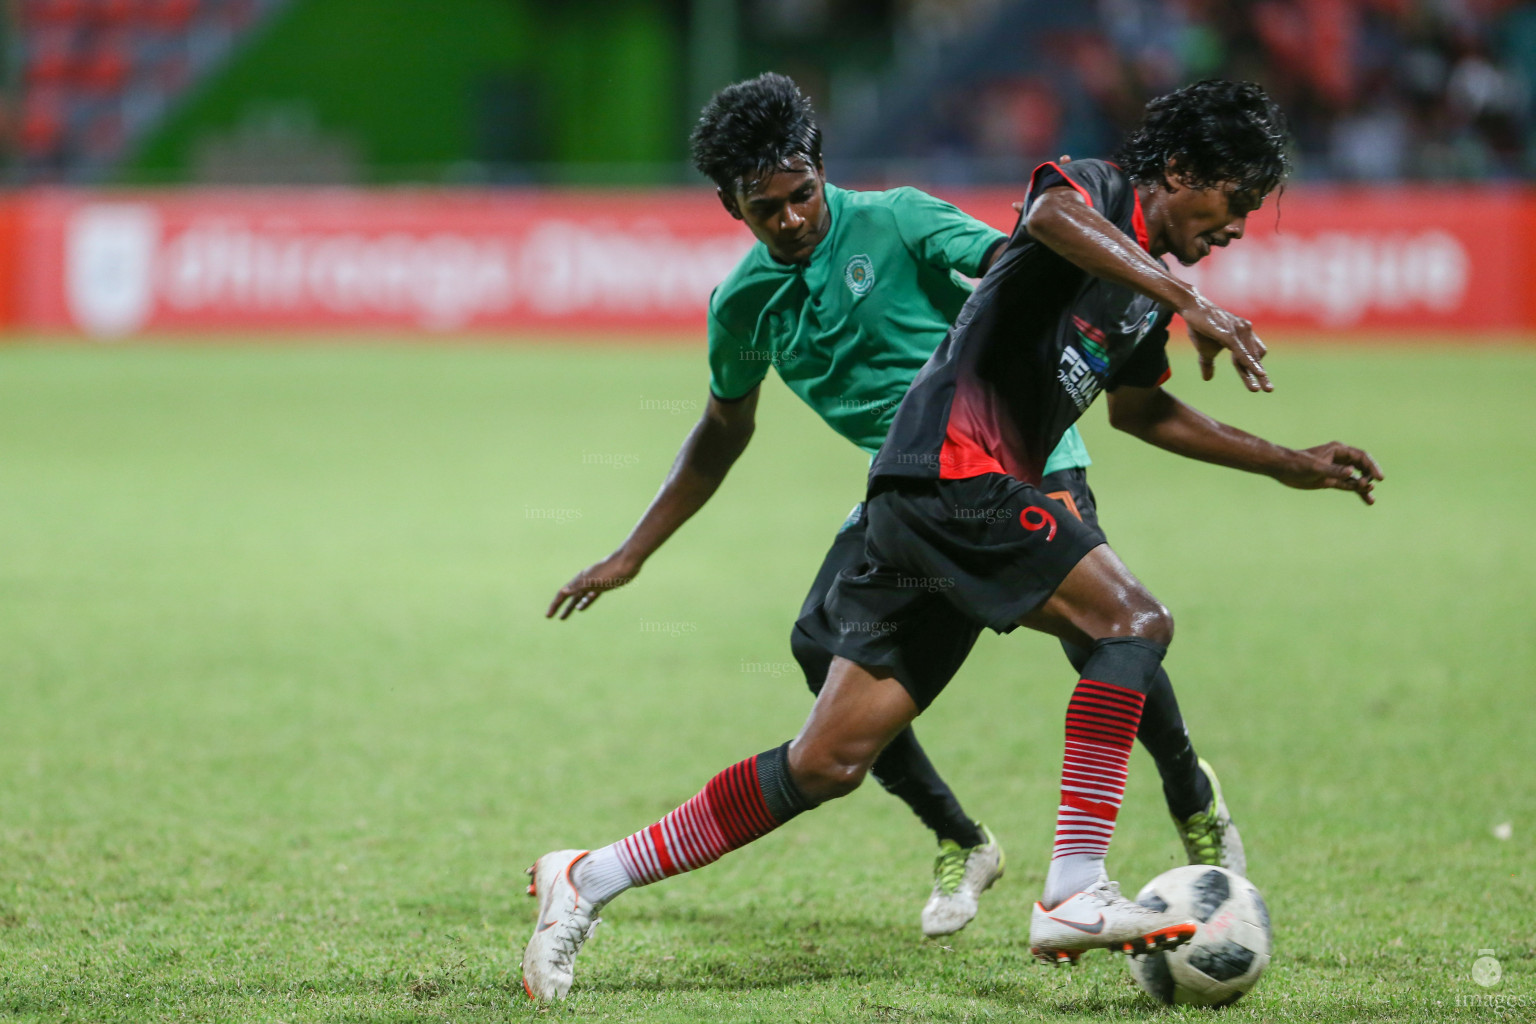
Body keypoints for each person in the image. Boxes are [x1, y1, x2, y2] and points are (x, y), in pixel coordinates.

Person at [522, 78, 1380, 1001]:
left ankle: (587, 876)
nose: (1240, 226)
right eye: (1235, 203)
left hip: (939, 494)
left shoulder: (1138, 298)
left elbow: (1140, 409)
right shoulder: (1089, 190)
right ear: (1179, 172)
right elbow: (1044, 218)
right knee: (1131, 623)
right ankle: (1077, 885)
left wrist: (1286, 462)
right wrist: (1183, 291)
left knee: (829, 760)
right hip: (952, 470)